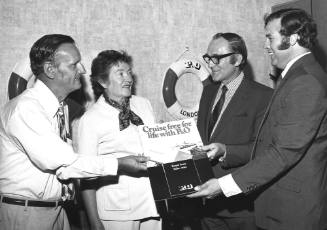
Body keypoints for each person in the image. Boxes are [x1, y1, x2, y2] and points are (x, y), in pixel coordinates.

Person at [188, 8, 327, 230]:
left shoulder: (305, 81)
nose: (265, 45)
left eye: (270, 37)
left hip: (293, 210)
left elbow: (284, 151)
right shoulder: (299, 75)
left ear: (292, 38)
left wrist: (224, 185)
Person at [0, 34, 148, 230]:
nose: (83, 70)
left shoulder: (61, 107)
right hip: (28, 213)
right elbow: (65, 163)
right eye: (74, 65)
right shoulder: (25, 109)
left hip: (57, 210)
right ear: (50, 70)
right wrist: (120, 163)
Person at [74, 50, 161, 230]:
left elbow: (156, 149)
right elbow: (86, 176)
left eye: (129, 72)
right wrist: (94, 222)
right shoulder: (91, 119)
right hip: (117, 210)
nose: (128, 78)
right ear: (103, 81)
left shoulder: (144, 104)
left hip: (152, 203)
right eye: (120, 73)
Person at [196, 32, 272, 230]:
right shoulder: (208, 92)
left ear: (237, 59)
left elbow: (263, 150)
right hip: (207, 203)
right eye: (208, 58)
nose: (210, 63)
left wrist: (225, 151)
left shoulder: (264, 96)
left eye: (216, 58)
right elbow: (201, 137)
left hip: (241, 206)